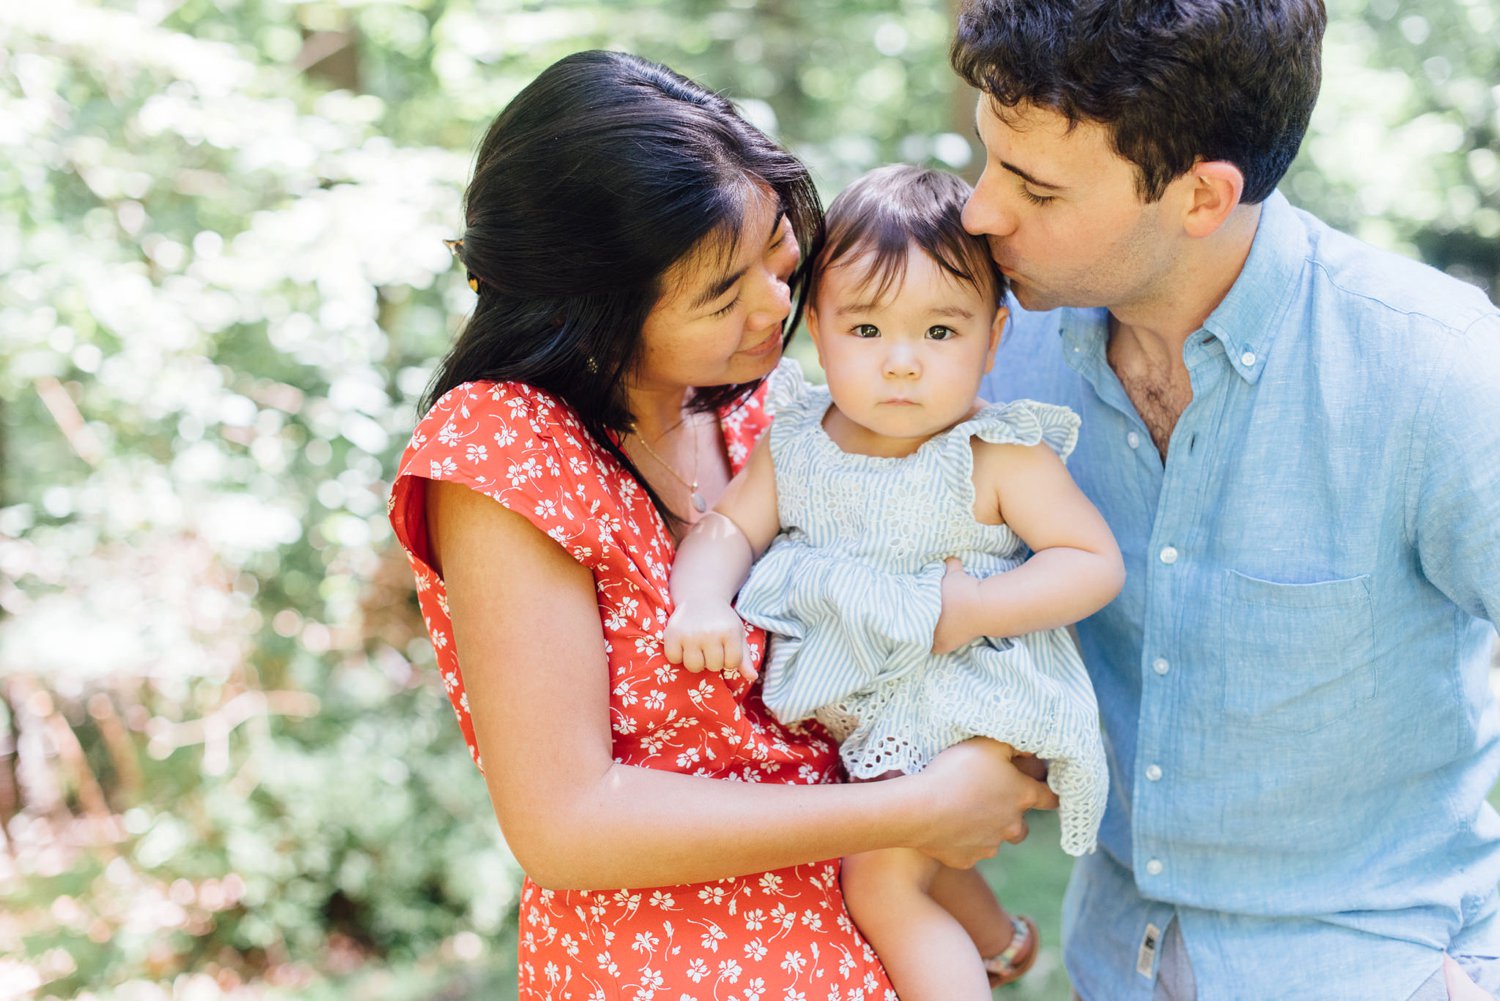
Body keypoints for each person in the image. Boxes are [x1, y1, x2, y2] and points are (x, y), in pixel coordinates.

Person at [386, 50, 1056, 1000]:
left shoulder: (761, 411)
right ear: (592, 314)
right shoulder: (507, 446)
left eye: (780, 259)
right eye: (720, 292)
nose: (776, 307)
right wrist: (914, 808)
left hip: (877, 931)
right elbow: (566, 822)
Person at [950, 1, 1500, 999]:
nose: (981, 212)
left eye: (1033, 185)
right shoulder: (1001, 353)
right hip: (1113, 962)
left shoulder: (1439, 371)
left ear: (1201, 196)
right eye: (986, 159)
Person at [663, 163, 1124, 1000]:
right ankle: (1003, 948)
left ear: (994, 336)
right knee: (913, 864)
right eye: (867, 331)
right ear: (817, 332)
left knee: (878, 883)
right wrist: (700, 597)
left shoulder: (994, 450)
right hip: (868, 704)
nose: (902, 364)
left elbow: (1091, 562)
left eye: (940, 333)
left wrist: (975, 608)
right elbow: (727, 527)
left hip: (964, 696)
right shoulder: (799, 441)